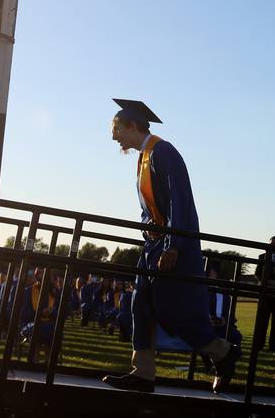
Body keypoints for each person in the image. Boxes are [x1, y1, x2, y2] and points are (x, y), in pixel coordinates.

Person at [103, 99, 240, 393]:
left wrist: (174, 245)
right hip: (154, 246)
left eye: (116, 129)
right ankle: (142, 373)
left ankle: (222, 352)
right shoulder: (143, 157)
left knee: (171, 310)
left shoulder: (163, 152)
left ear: (132, 126)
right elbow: (149, 211)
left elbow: (181, 202)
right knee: (140, 304)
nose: (114, 136)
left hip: (174, 246)